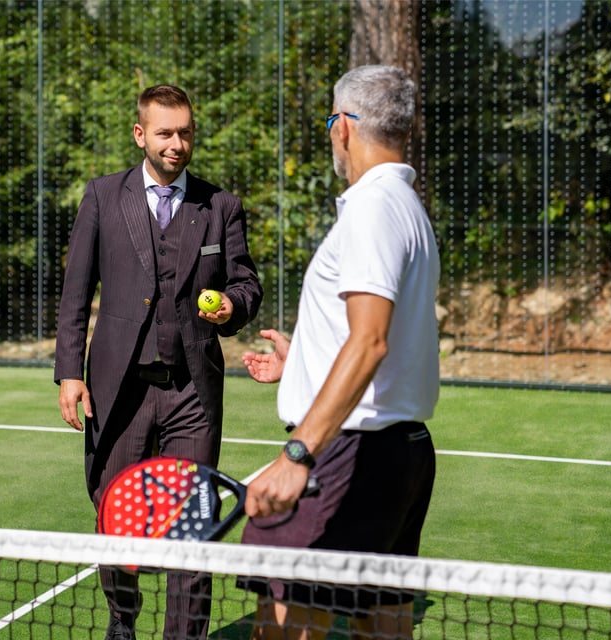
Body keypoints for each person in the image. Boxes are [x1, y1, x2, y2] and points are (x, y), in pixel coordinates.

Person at [54, 84, 263, 640]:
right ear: (141, 134)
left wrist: (231, 308)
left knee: (191, 524)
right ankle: (122, 621)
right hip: (117, 388)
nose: (178, 144)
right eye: (166, 133)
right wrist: (70, 372)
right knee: (113, 513)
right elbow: (76, 293)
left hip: (192, 392)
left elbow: (246, 284)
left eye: (186, 132)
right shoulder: (101, 196)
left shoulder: (220, 206)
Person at [238, 65, 440, 640]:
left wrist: (298, 454)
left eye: (331, 121)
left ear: (344, 127)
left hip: (343, 456)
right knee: (383, 623)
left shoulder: (372, 209)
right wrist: (301, 358)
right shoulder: (407, 208)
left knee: (284, 627)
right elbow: (386, 337)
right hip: (401, 454)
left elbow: (370, 340)